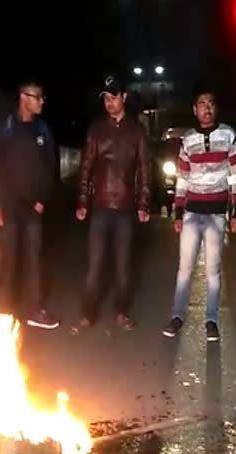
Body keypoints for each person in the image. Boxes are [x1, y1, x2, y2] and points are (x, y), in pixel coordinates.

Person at [161, 86, 236, 343]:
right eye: (201, 104)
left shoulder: (228, 135)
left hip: (216, 214)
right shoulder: (188, 140)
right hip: (191, 214)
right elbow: (182, 179)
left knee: (212, 271)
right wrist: (178, 211)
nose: (206, 108)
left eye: (211, 103)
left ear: (215, 107)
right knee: (184, 269)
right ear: (194, 110)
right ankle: (177, 316)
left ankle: (211, 320)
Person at [72, 74, 151, 332]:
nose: (109, 102)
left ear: (124, 97)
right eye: (105, 97)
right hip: (100, 208)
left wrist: (144, 203)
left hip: (126, 209)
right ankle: (87, 314)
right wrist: (82, 200)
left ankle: (121, 312)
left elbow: (144, 170)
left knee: (123, 267)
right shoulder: (96, 129)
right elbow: (86, 166)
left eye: (113, 96)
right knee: (94, 266)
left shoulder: (136, 131)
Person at [0, 78, 60, 329]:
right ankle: (5, 312)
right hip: (9, 205)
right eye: (37, 96)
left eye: (42, 97)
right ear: (23, 97)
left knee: (34, 258)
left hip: (33, 207)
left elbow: (51, 167)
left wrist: (42, 198)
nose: (42, 101)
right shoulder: (6, 127)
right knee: (8, 259)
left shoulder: (43, 130)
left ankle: (35, 309)